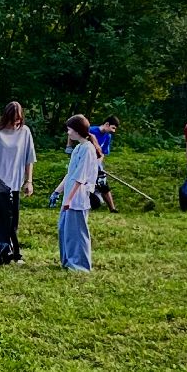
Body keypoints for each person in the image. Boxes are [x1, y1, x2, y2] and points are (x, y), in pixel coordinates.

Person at [0, 101, 36, 264]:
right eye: (12, 120)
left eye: (18, 120)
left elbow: (29, 159)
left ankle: (11, 251)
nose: (15, 124)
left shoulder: (25, 132)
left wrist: (29, 181)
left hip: (13, 183)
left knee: (12, 220)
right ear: (6, 118)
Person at [57, 114, 103, 272]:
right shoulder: (78, 148)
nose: (68, 133)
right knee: (64, 230)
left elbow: (80, 177)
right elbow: (70, 174)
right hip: (69, 197)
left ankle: (80, 265)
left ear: (77, 130)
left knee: (77, 233)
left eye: (69, 130)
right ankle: (68, 261)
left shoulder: (88, 149)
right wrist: (57, 191)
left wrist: (69, 199)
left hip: (78, 199)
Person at [90, 115, 119, 212]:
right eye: (113, 128)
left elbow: (102, 152)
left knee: (103, 184)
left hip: (97, 164)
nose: (113, 131)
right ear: (107, 124)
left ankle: (112, 209)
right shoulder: (91, 130)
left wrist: (98, 163)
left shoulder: (108, 136)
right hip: (85, 163)